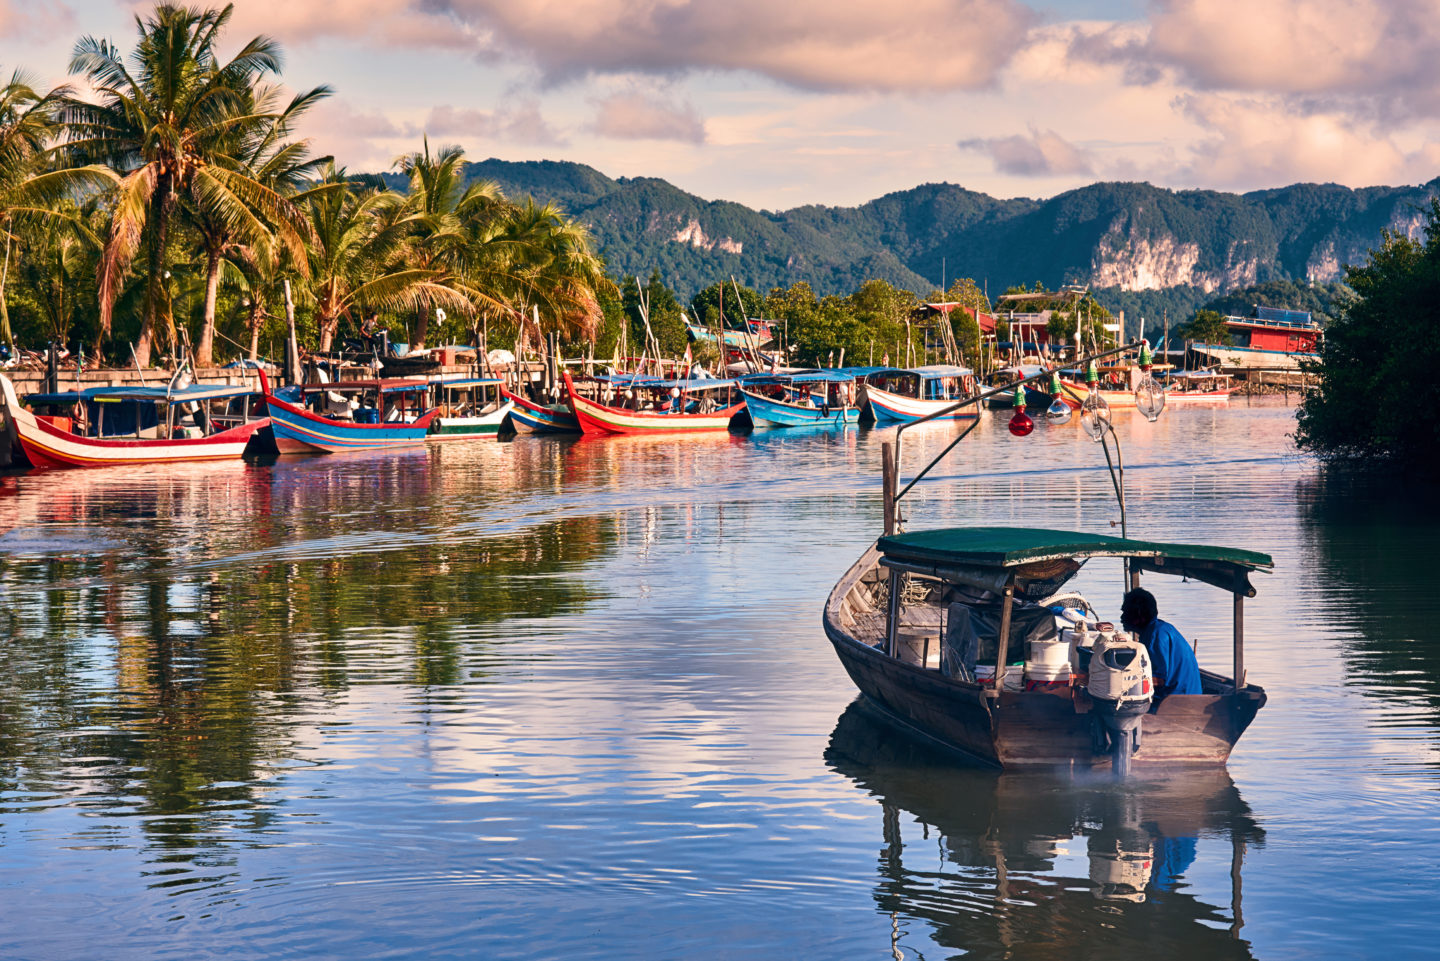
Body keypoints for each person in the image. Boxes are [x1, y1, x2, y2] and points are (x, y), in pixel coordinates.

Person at [1120, 588, 1201, 699]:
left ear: (1140, 615)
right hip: (1180, 697)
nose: (1122, 618)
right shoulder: (1157, 629)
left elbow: (1159, 680)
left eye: (1126, 612)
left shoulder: (1156, 635)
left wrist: (1119, 680)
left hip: (1179, 702)